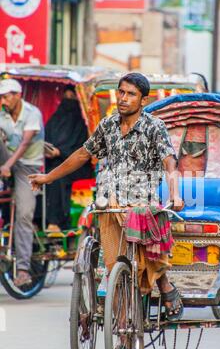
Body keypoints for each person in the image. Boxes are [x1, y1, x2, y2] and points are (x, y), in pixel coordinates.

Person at [29, 73, 185, 320]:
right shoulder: (107, 125)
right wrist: (47, 177)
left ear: (143, 100)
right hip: (109, 203)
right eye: (121, 92)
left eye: (131, 94)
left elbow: (169, 161)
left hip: (141, 203)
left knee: (149, 250)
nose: (123, 98)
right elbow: (82, 154)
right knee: (114, 267)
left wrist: (175, 193)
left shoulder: (154, 127)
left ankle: (164, 284)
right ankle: (123, 328)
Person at [0, 79, 44, 287]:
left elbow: (25, 143)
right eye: (1, 97)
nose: (3, 100)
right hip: (5, 163)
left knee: (24, 214)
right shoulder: (2, 114)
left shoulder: (32, 113)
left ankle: (24, 269)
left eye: (7, 96)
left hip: (28, 167)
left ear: (17, 95)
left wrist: (8, 165)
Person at [44, 85, 92, 231]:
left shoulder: (82, 123)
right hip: (54, 162)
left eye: (72, 98)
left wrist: (61, 152)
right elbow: (46, 138)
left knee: (58, 175)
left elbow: (82, 150)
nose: (68, 101)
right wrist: (49, 150)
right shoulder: (55, 119)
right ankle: (39, 220)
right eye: (66, 98)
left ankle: (56, 222)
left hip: (79, 166)